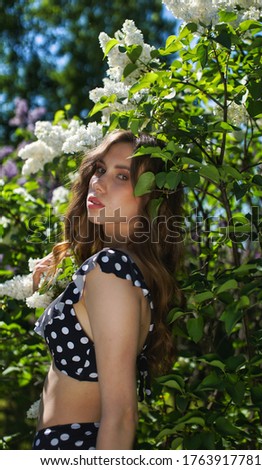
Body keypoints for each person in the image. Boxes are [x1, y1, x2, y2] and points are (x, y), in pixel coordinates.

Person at [31, 129, 184, 450]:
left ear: (151, 198)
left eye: (122, 176)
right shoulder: (118, 270)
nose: (98, 182)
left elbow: (122, 415)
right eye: (99, 169)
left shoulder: (110, 272)